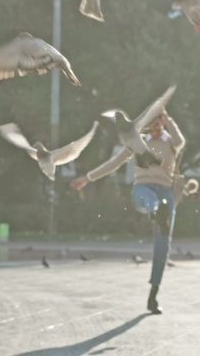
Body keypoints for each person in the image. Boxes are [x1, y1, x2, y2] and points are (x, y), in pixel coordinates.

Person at [70, 111, 185, 314]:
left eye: (160, 125)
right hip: (143, 189)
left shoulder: (171, 142)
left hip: (166, 191)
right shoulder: (138, 142)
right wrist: (88, 178)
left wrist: (170, 120)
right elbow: (114, 163)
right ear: (148, 126)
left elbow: (180, 140)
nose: (157, 130)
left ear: (164, 124)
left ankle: (153, 295)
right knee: (150, 199)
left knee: (163, 245)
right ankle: (154, 210)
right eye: (154, 126)